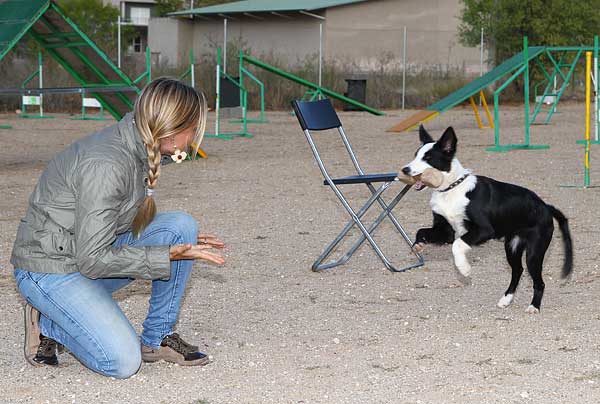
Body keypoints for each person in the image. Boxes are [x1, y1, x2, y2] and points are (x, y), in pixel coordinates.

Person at [11, 77, 225, 379]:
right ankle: (48, 320)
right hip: (50, 267)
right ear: (173, 128)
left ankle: (157, 338)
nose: (193, 140)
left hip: (81, 252)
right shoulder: (107, 164)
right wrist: (162, 254)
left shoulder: (138, 145)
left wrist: (170, 241)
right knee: (123, 362)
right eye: (193, 130)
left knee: (180, 227)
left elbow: (112, 222)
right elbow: (92, 259)